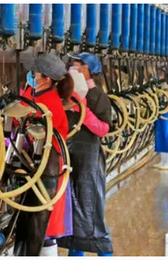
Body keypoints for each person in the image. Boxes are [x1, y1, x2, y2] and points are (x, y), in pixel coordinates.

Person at [14, 53, 73, 256]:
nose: (31, 75)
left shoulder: (50, 104)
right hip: (35, 164)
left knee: (42, 227)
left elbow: (33, 127)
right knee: (33, 226)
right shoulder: (34, 93)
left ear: (46, 78)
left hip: (49, 167)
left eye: (34, 72)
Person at [57, 53, 113, 256]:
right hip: (69, 157)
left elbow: (104, 129)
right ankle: (75, 252)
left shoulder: (98, 96)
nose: (72, 68)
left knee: (92, 207)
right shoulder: (66, 92)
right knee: (72, 212)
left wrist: (83, 110)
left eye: (76, 65)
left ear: (86, 69)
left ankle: (104, 252)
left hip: (89, 159)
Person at [153, 67, 168, 170]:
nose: (158, 74)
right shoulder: (160, 85)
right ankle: (163, 161)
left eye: (161, 72)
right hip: (161, 112)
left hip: (167, 113)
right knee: (161, 136)